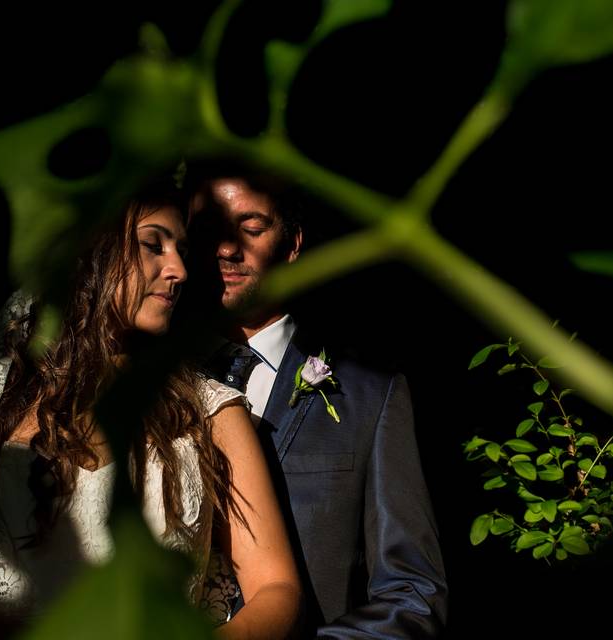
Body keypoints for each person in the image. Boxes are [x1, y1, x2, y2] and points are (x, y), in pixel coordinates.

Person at [0, 182, 301, 639]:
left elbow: (276, 588)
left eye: (181, 250)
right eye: (152, 244)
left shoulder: (210, 412)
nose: (179, 269)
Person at [185, 165, 447, 637]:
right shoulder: (150, 384)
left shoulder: (370, 394)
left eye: (251, 229)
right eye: (209, 231)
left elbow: (412, 593)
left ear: (293, 244)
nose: (226, 248)